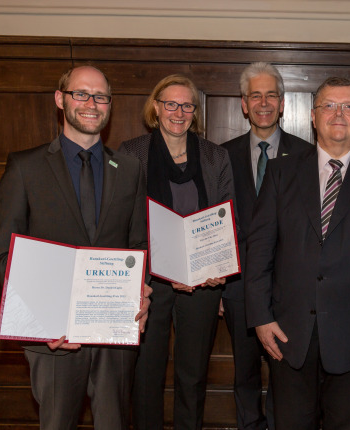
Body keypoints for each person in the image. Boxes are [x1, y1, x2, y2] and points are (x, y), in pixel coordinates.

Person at [244, 76, 350, 430]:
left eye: (349, 106)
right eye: (329, 106)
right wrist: (260, 317)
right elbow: (259, 252)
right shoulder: (280, 173)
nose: (339, 114)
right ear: (312, 116)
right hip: (288, 336)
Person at [0, 65, 151, 430]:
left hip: (113, 334)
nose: (91, 103)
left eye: (101, 96)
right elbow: (3, 257)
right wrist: (40, 321)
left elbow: (138, 244)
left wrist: (142, 293)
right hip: (52, 340)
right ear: (60, 99)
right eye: (81, 93)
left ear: (110, 105)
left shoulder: (128, 169)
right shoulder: (24, 167)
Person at [120, 74, 235, 430]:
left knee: (192, 374)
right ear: (156, 107)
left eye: (186, 105)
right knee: (145, 374)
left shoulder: (216, 156)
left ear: (194, 112)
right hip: (149, 283)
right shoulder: (130, 153)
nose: (178, 112)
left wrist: (219, 273)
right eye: (171, 103)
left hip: (202, 282)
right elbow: (122, 218)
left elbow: (227, 215)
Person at [221, 62, 310, 430]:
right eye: (255, 95)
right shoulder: (221, 155)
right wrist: (223, 282)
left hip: (292, 288)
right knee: (244, 372)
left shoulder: (307, 155)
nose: (263, 102)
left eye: (270, 95)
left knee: (286, 373)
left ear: (283, 102)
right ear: (244, 104)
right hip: (240, 284)